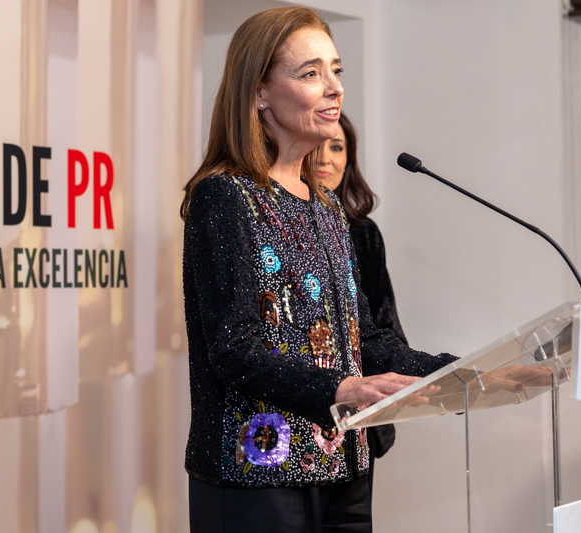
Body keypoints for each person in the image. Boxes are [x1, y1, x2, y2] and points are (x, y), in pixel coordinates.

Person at [180, 7, 457, 533]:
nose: (334, 88)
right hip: (257, 474)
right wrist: (343, 387)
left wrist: (463, 373)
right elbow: (234, 350)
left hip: (345, 470)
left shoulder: (327, 206)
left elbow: (364, 340)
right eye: (311, 73)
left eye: (336, 70)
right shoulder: (226, 196)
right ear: (259, 92)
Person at [315, 113, 404, 502]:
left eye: (337, 147)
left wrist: (434, 377)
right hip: (295, 419)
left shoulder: (363, 233)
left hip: (357, 421)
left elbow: (382, 326)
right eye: (317, 146)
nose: (325, 158)